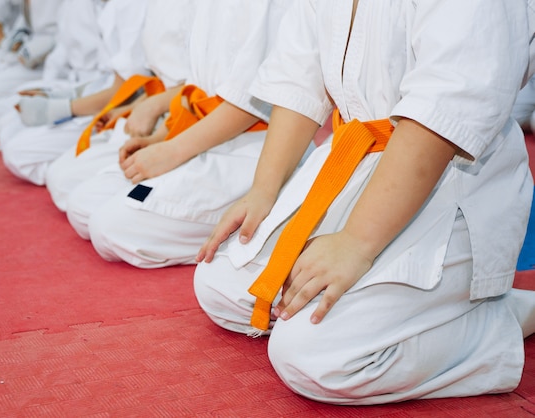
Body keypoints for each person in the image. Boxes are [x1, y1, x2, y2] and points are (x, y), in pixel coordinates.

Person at [194, 0, 535, 404]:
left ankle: (498, 321)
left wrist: (357, 242)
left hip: (446, 178)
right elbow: (297, 79)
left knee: (315, 357)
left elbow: (446, 108)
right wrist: (263, 191)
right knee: (219, 284)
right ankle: (397, 311)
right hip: (349, 168)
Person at [63, 0, 293, 268]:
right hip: (193, 130)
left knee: (108, 228)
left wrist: (172, 151)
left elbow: (249, 103)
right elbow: (195, 87)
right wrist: (159, 139)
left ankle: (263, 229)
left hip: (255, 149)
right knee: (83, 206)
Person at [45, 0, 195, 212]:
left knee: (90, 209)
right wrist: (138, 106)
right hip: (167, 117)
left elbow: (215, 95)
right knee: (63, 182)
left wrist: (161, 137)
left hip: (199, 133)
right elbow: (168, 80)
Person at [0, 0, 148, 186]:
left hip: (124, 107)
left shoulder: (133, 6)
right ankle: (75, 166)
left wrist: (59, 108)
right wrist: (54, 96)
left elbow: (125, 89)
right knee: (7, 129)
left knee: (26, 158)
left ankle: (79, 170)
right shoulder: (110, 6)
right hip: (94, 90)